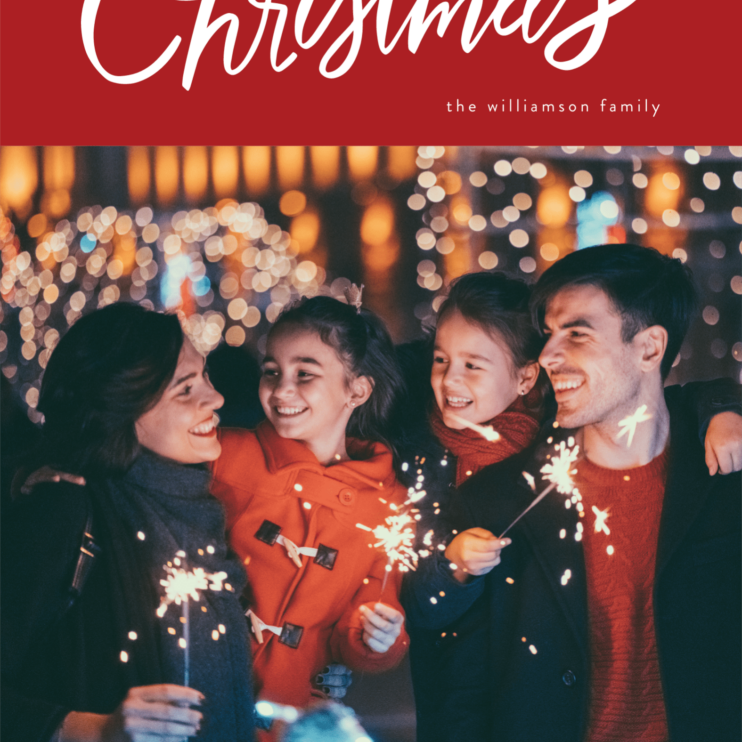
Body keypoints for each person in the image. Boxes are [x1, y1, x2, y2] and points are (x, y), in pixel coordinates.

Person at [401, 262, 742, 742]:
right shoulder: (495, 500)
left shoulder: (725, 474)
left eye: (577, 335)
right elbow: (460, 691)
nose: (548, 355)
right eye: (547, 334)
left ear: (649, 348)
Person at [0, 303, 255, 742]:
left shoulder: (198, 507)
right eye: (184, 390)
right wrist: (94, 729)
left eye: (205, 377)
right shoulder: (65, 511)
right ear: (123, 411)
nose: (215, 399)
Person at [209, 292, 410, 721]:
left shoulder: (389, 504)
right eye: (271, 371)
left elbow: (364, 617)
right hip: (206, 703)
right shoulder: (225, 455)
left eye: (305, 374)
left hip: (293, 718)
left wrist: (378, 637)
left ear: (356, 390)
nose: (282, 389)